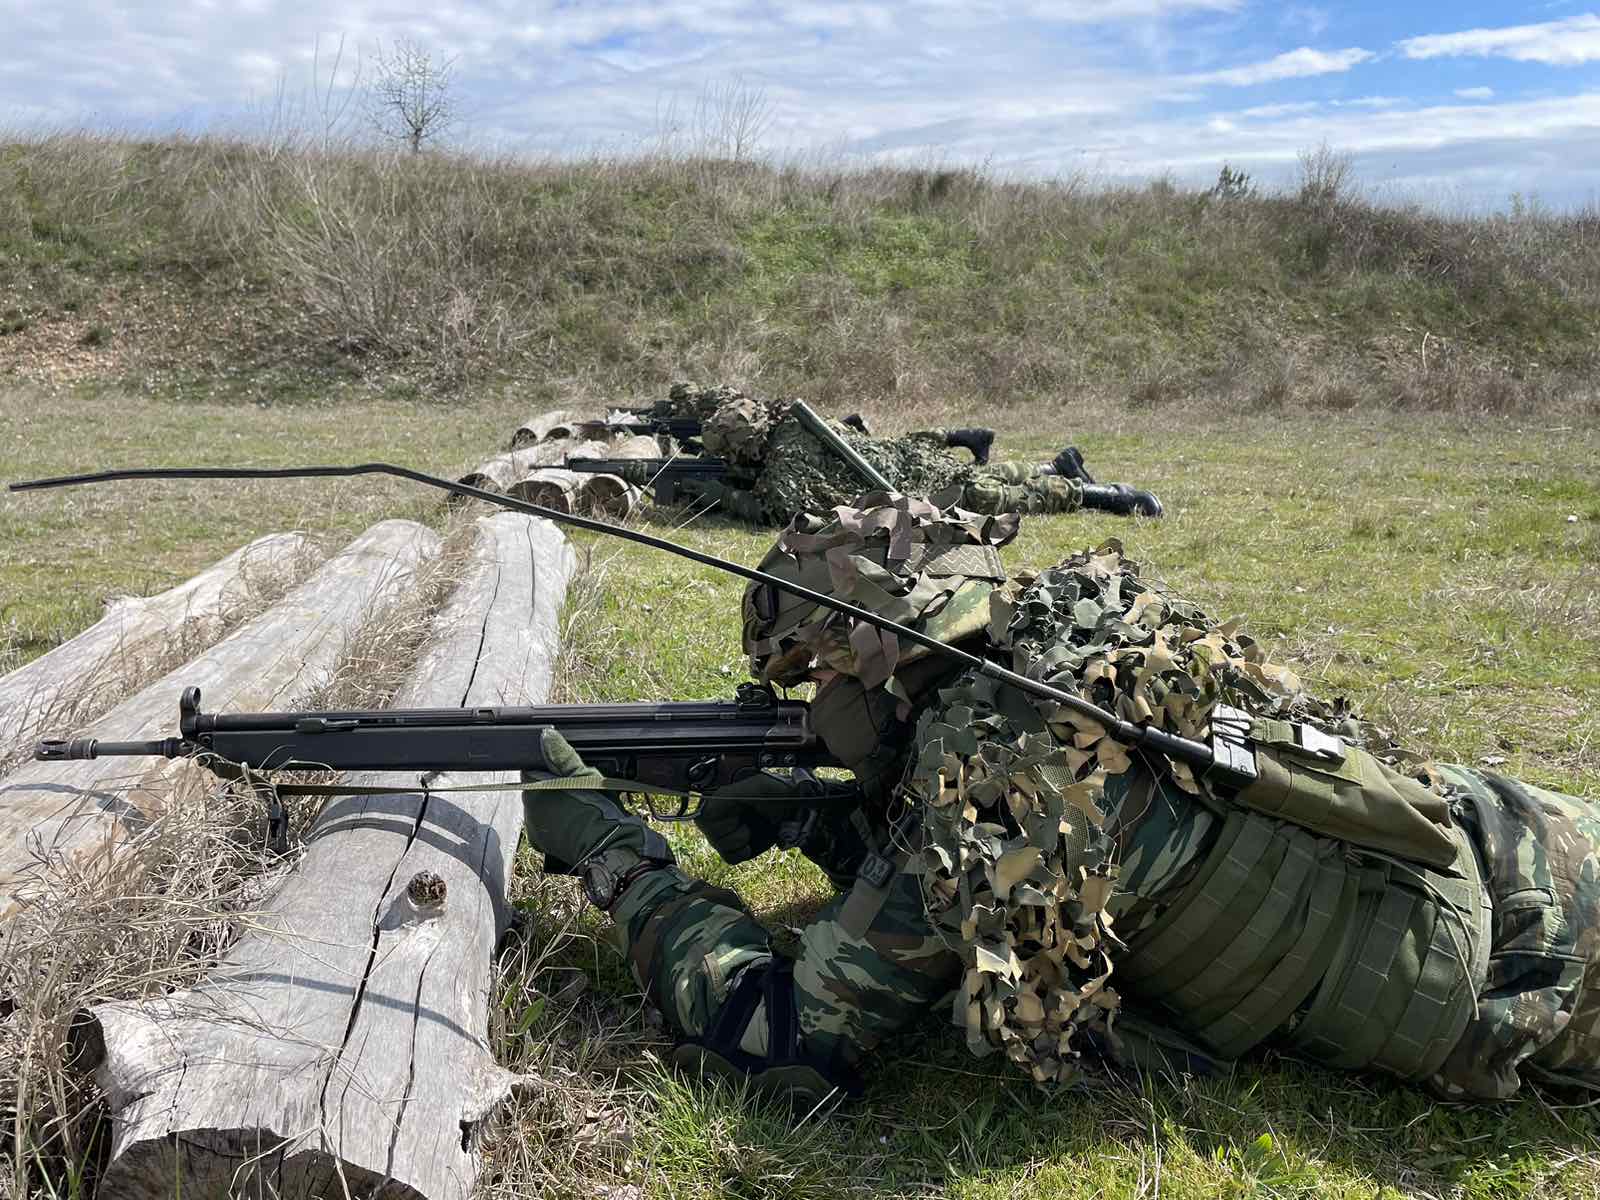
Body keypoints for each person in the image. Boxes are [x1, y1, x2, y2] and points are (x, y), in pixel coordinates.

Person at [521, 494, 1600, 1105]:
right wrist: (822, 822)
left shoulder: (989, 785)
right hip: (1520, 825)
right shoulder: (1076, 633)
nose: (805, 713)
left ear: (868, 656)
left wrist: (623, 865)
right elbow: (1069, 873)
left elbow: (782, 1038)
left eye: (805, 681)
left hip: (1535, 985)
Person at [614, 381, 1162, 524]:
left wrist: (714, 495)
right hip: (900, 460)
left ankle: (1101, 495)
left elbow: (778, 512)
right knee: (966, 472)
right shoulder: (795, 426)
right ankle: (1052, 465)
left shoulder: (783, 461)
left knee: (990, 496)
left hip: (909, 484)